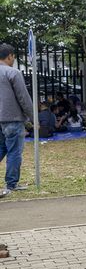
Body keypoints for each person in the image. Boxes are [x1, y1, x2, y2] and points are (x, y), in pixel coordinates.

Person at [0, 43, 33, 197]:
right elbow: (23, 98)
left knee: (1, 149)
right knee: (14, 151)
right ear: (10, 56)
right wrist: (33, 117)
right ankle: (12, 183)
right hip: (12, 118)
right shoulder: (13, 73)